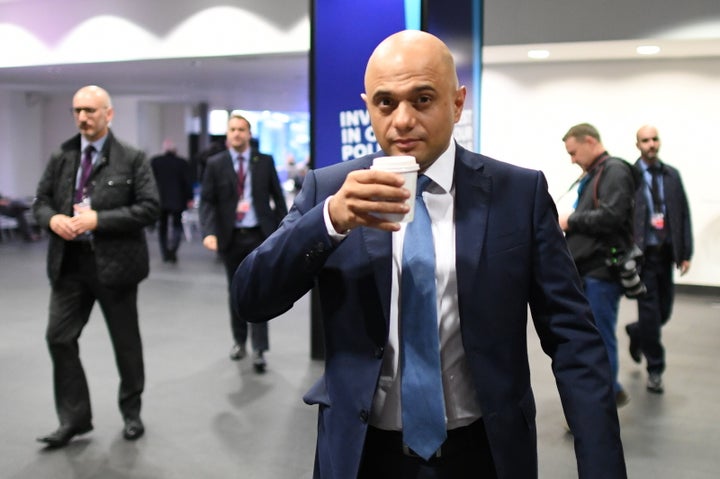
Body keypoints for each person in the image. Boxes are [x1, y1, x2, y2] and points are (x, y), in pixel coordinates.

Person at [232, 31, 626, 479]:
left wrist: (602, 466)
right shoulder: (331, 190)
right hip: (362, 454)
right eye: (385, 102)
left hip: (484, 453)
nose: (402, 120)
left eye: (422, 99)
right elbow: (252, 298)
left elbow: (574, 337)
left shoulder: (518, 194)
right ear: (368, 106)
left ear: (457, 103)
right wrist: (329, 221)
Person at [33, 85, 160, 448]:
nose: (82, 118)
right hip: (69, 264)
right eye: (77, 111)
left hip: (115, 267)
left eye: (89, 110)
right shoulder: (62, 155)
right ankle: (74, 419)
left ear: (109, 113)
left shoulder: (132, 158)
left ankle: (131, 412)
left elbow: (149, 208)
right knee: (58, 337)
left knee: (126, 344)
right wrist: (52, 219)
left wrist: (98, 220)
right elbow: (40, 200)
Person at [559, 123, 642, 408]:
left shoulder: (614, 171)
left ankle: (600, 403)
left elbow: (611, 216)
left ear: (590, 141)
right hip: (589, 270)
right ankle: (609, 389)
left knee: (599, 337)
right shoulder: (597, 173)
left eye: (573, 152)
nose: (572, 159)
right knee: (593, 336)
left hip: (601, 271)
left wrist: (570, 221)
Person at [200, 113, 288, 372]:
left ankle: (260, 348)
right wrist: (209, 231)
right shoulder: (215, 164)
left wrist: (285, 229)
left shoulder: (264, 161)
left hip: (259, 234)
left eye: (241, 129)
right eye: (232, 129)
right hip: (230, 236)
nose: (236, 134)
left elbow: (278, 197)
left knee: (259, 291)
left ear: (249, 134)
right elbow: (207, 200)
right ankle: (239, 342)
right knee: (235, 291)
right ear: (227, 134)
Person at [625, 125, 693, 394]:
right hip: (643, 258)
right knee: (651, 314)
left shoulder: (671, 175)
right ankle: (655, 370)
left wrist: (685, 252)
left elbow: (683, 214)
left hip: (666, 254)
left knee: (664, 311)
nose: (651, 144)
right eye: (645, 140)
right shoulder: (630, 176)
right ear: (637, 145)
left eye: (654, 139)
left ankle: (636, 331)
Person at [150, 139, 194, 263]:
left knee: (162, 227)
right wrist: (189, 197)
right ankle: (173, 250)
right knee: (177, 226)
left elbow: (150, 181)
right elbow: (187, 182)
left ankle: (165, 252)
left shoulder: (156, 162)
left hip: (161, 199)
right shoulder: (182, 163)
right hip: (177, 200)